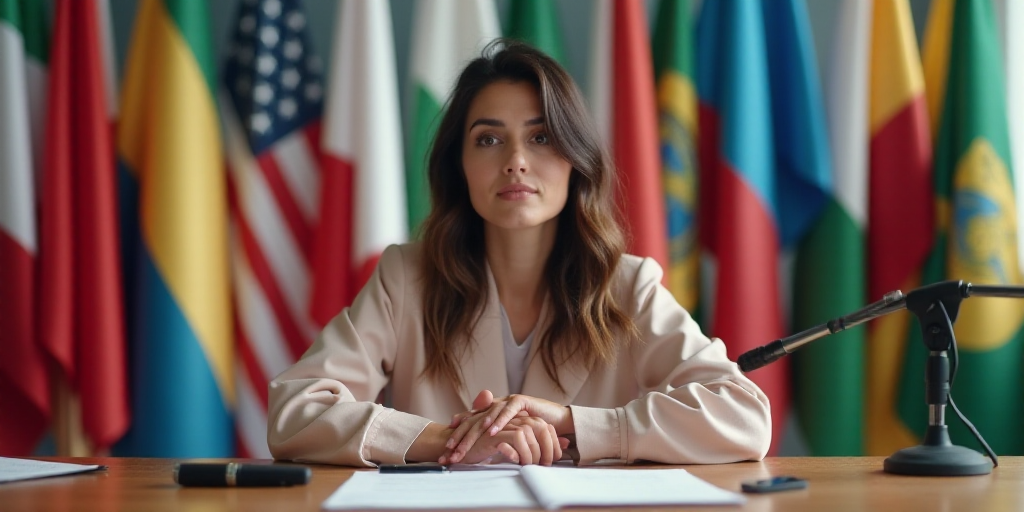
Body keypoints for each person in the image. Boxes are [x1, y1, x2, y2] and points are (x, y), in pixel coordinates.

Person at [267, 41, 771, 467]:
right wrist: (449, 440)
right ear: (458, 165)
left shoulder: (627, 285)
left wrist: (582, 425)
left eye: (541, 137)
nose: (516, 162)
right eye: (488, 139)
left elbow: (743, 416)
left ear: (576, 161)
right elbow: (293, 411)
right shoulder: (407, 276)